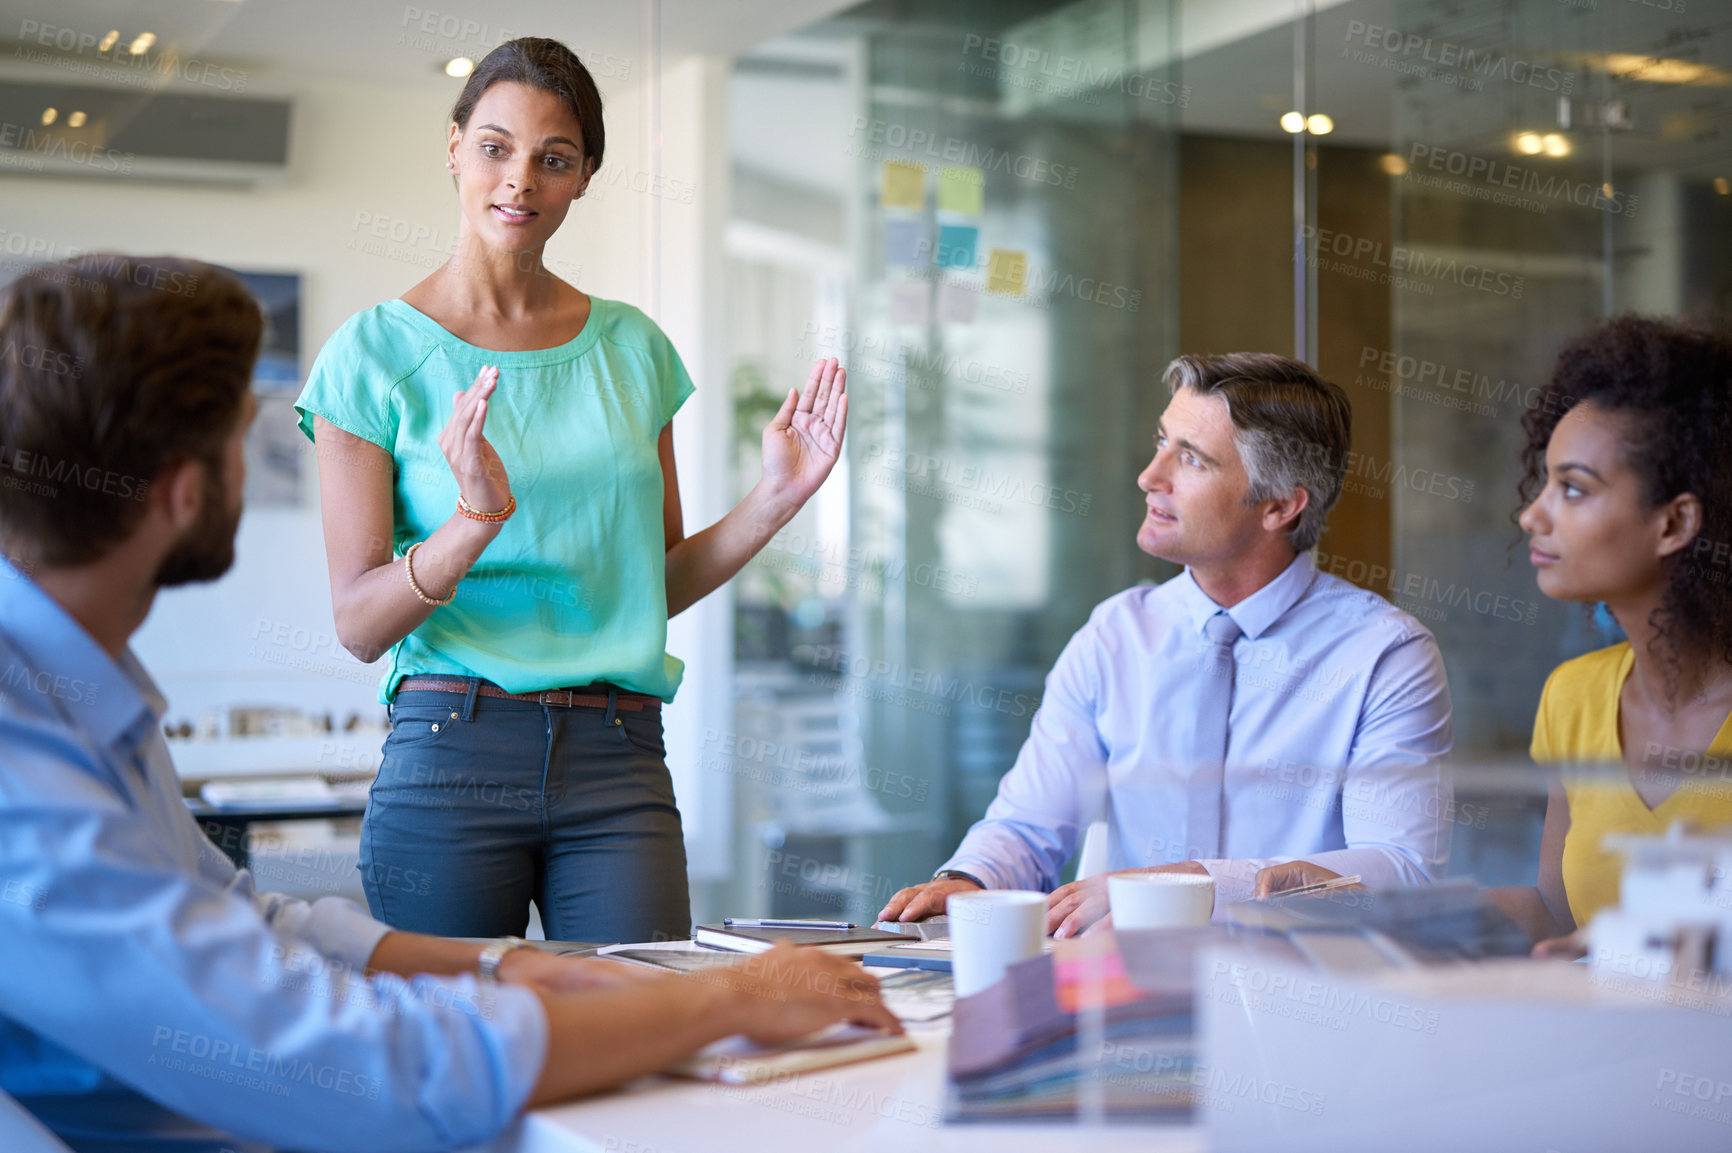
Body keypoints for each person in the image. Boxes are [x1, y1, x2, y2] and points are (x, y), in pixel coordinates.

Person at [0, 254, 896, 1153]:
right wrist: (723, 997)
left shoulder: (76, 696)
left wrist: (506, 966)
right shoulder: (22, 755)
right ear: (184, 490)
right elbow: (370, 1068)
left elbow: (244, 919)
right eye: (243, 436)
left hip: (617, 743)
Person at [296, 38, 848, 943]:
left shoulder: (632, 350)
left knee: (642, 1048)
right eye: (495, 147)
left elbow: (649, 583)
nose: (520, 180)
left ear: (583, 176)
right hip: (451, 747)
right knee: (456, 1059)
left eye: (554, 159)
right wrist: (472, 524)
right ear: (453, 148)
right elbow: (359, 623)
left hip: (619, 759)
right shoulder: (372, 356)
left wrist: (774, 499)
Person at [878, 352, 1455, 937]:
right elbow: (1030, 823)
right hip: (1122, 992)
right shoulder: (1116, 634)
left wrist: (1192, 885)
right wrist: (968, 880)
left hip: (1300, 991)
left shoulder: (1384, 654)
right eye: (1162, 441)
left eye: (1191, 459)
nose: (1150, 476)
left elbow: (1397, 869)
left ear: (1280, 505)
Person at [1254, 317, 1732, 951]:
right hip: (1605, 1046)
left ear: (1675, 523)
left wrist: (1637, 948)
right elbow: (1553, 913)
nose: (1532, 515)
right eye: (1545, 484)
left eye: (1573, 489)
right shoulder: (1575, 696)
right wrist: (1373, 907)